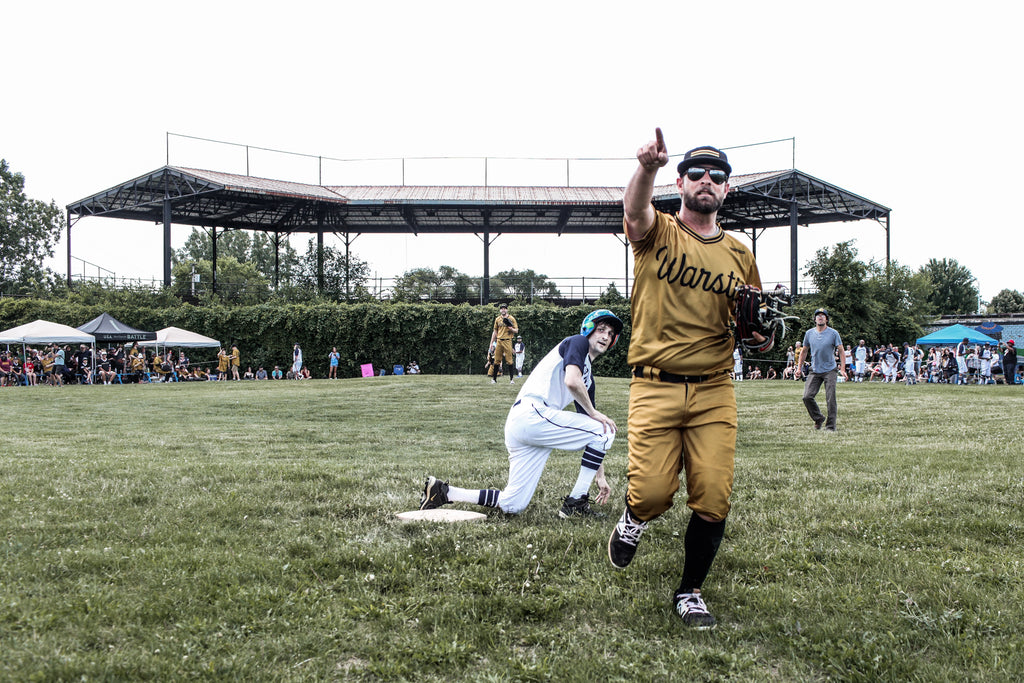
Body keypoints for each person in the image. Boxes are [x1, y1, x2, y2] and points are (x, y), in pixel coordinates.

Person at [607, 131, 764, 630]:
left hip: (715, 387)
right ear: (680, 181)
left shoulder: (740, 254)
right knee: (652, 494)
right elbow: (635, 211)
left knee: (714, 496)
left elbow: (752, 325)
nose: (706, 181)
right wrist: (646, 168)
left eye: (717, 176)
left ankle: (690, 590)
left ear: (726, 191)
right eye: (696, 172)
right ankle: (633, 518)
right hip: (654, 383)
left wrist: (760, 341)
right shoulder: (660, 231)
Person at [421, 310, 622, 519]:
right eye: (600, 329)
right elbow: (572, 382)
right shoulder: (578, 342)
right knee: (604, 428)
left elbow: (593, 429)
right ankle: (575, 504)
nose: (605, 336)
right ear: (588, 329)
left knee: (513, 504)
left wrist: (600, 476)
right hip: (534, 414)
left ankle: (442, 492)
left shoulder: (587, 378)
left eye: (610, 333)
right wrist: (593, 412)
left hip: (525, 423)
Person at [795, 308, 847, 431]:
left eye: (823, 315)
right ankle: (818, 418)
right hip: (815, 370)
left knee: (830, 398)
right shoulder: (809, 334)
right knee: (807, 397)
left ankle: (830, 426)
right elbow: (804, 351)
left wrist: (843, 369)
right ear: (815, 319)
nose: (820, 317)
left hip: (830, 370)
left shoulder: (833, 333)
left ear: (827, 319)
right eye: (818, 315)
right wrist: (799, 368)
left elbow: (841, 351)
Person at [487, 304, 519, 384]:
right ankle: (494, 379)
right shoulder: (498, 319)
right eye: (502, 309)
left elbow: (516, 331)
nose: (503, 310)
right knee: (496, 360)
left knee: (509, 360)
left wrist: (511, 329)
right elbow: (495, 332)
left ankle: (511, 379)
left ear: (507, 310)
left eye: (504, 308)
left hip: (507, 340)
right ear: (500, 310)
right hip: (499, 341)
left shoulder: (511, 318)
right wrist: (491, 343)